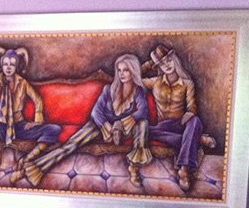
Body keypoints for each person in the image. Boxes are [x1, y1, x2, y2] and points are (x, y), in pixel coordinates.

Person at [23, 54, 152, 187]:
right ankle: (38, 167)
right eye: (119, 70)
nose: (122, 74)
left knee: (143, 124)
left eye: (126, 70)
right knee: (72, 144)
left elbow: (143, 111)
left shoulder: (138, 91)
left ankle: (134, 167)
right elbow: (96, 112)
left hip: (124, 129)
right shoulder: (109, 89)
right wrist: (105, 125)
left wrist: (120, 124)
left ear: (133, 71)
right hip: (100, 125)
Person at [0, 47, 61, 183]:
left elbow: (38, 100)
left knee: (54, 129)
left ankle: (27, 160)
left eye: (12, 64)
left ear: (16, 66)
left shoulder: (22, 83)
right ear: (1, 65)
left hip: (19, 126)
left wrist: (37, 121)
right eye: (5, 64)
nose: (8, 67)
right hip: (1, 126)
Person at [140, 44, 216, 193]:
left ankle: (184, 169)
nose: (167, 65)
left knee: (195, 121)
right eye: (162, 63)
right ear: (158, 67)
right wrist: (149, 63)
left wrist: (191, 113)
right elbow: (135, 78)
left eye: (168, 60)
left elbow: (192, 106)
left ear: (174, 59)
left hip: (181, 124)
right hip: (163, 126)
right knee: (143, 129)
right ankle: (198, 139)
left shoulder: (187, 83)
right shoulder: (155, 82)